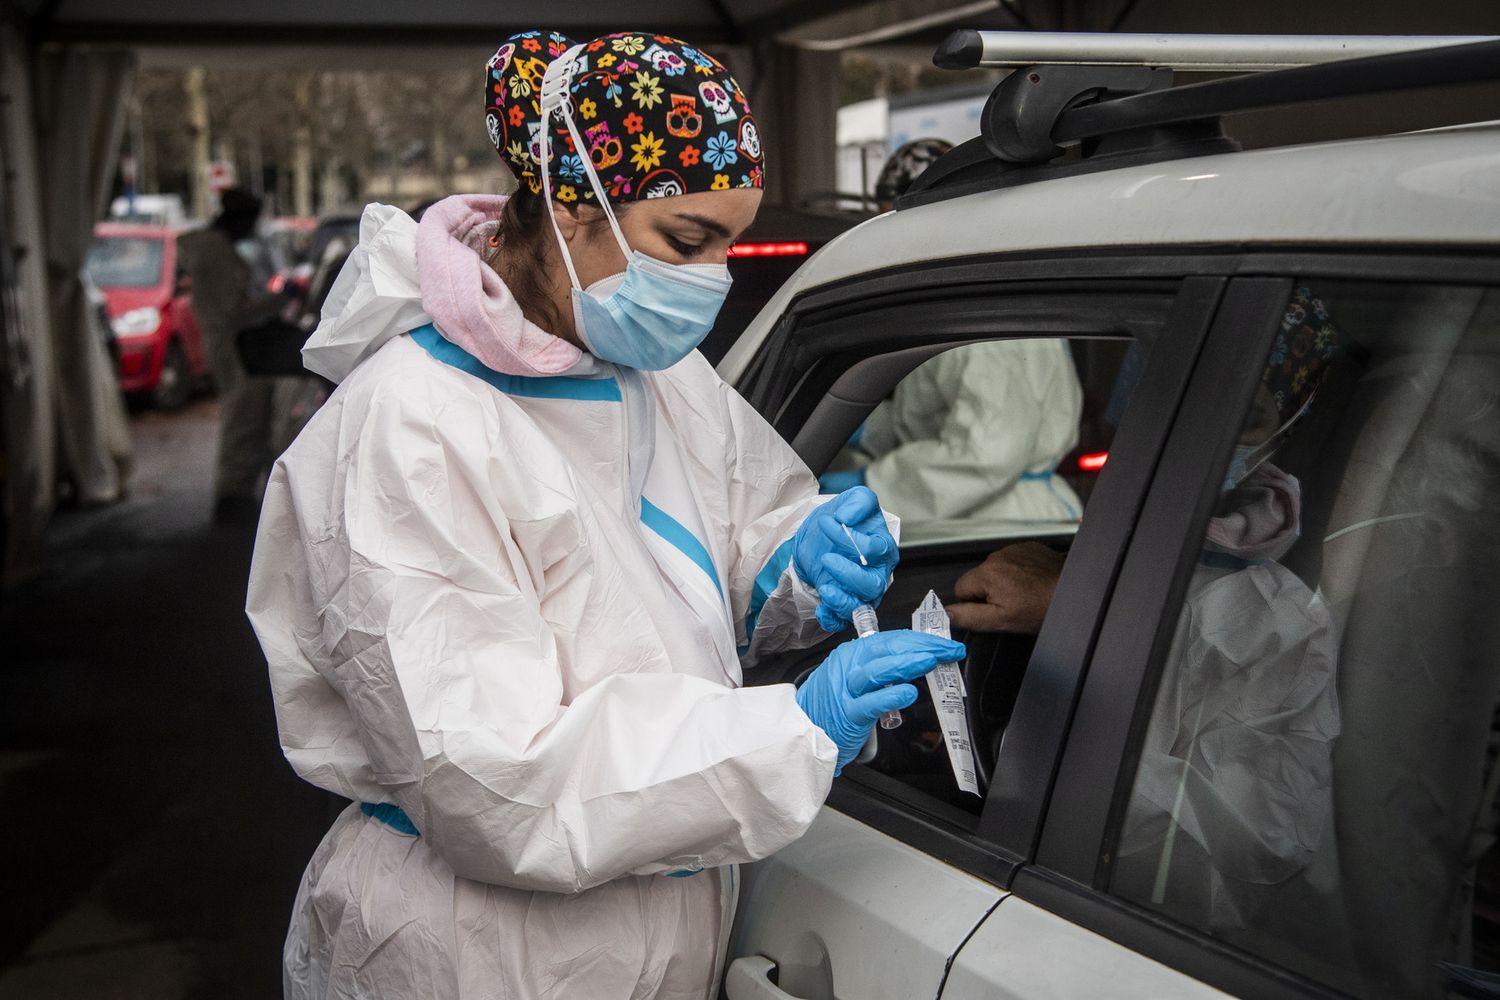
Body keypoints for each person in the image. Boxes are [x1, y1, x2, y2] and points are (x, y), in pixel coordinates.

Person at [246, 30, 964, 1000]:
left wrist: (793, 568)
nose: (711, 278)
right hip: (477, 950)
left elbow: (694, 566)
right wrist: (794, 727)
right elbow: (495, 779)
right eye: (687, 240)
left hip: (652, 911)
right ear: (572, 207)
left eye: (727, 241)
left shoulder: (651, 370)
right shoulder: (410, 426)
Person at [947, 288, 1348, 938]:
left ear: (1286, 429)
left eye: (1249, 416)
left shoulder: (1285, 620)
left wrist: (1085, 619)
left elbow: (1235, 853)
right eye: (1178, 406)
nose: (1205, 434)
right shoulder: (1113, 544)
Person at [819, 338, 1085, 530]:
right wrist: (868, 428)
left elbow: (990, 452)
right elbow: (944, 422)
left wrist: (872, 484)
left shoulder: (980, 339)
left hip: (993, 519)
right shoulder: (975, 318)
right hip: (998, 510)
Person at [177, 188, 283, 522]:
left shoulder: (213, 249)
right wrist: (277, 300)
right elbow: (233, 310)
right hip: (231, 342)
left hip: (226, 339)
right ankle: (233, 492)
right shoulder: (217, 252)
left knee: (242, 413)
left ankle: (237, 488)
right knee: (243, 415)